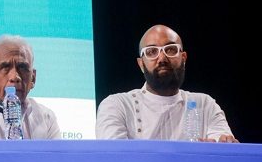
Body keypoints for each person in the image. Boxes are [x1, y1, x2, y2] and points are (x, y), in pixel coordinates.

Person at [96, 24, 236, 141]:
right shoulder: (117, 105)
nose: (162, 58)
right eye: (151, 52)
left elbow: (221, 148)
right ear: (141, 64)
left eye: (170, 49)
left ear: (183, 57)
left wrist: (225, 147)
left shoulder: (205, 104)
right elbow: (116, 160)